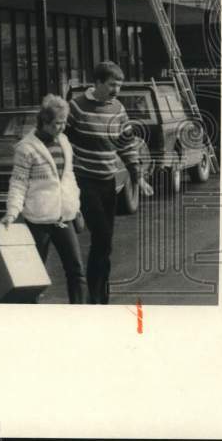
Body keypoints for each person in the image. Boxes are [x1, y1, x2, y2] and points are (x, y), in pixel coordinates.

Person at [65, 60, 153, 304]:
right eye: (113, 85)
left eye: (120, 86)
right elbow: (61, 138)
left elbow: (127, 144)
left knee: (105, 243)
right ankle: (94, 295)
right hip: (85, 181)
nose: (117, 91)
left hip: (107, 182)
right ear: (98, 82)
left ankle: (99, 295)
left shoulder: (118, 109)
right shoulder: (77, 107)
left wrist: (138, 177)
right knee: (102, 236)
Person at [1, 95, 87, 304]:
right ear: (44, 122)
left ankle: (83, 312)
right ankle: (30, 316)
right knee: (34, 275)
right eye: (57, 123)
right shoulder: (26, 148)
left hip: (63, 217)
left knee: (76, 270)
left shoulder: (64, 142)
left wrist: (75, 204)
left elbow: (68, 177)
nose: (62, 127)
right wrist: (12, 212)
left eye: (64, 122)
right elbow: (18, 183)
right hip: (38, 220)